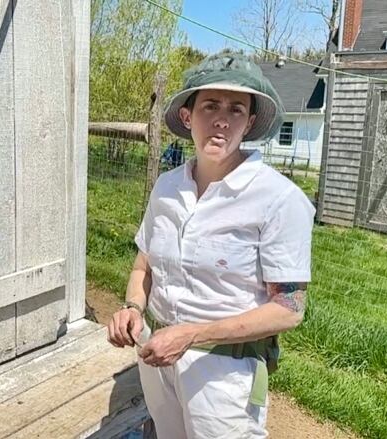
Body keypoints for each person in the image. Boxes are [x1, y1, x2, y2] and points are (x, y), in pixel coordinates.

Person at [107, 53, 315, 438]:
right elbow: (142, 268)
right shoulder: (167, 188)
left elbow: (289, 310)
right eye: (210, 106)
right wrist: (133, 307)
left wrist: (191, 334)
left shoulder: (277, 198)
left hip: (224, 375)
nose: (222, 119)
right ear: (188, 117)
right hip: (156, 359)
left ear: (250, 123)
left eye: (236, 109)